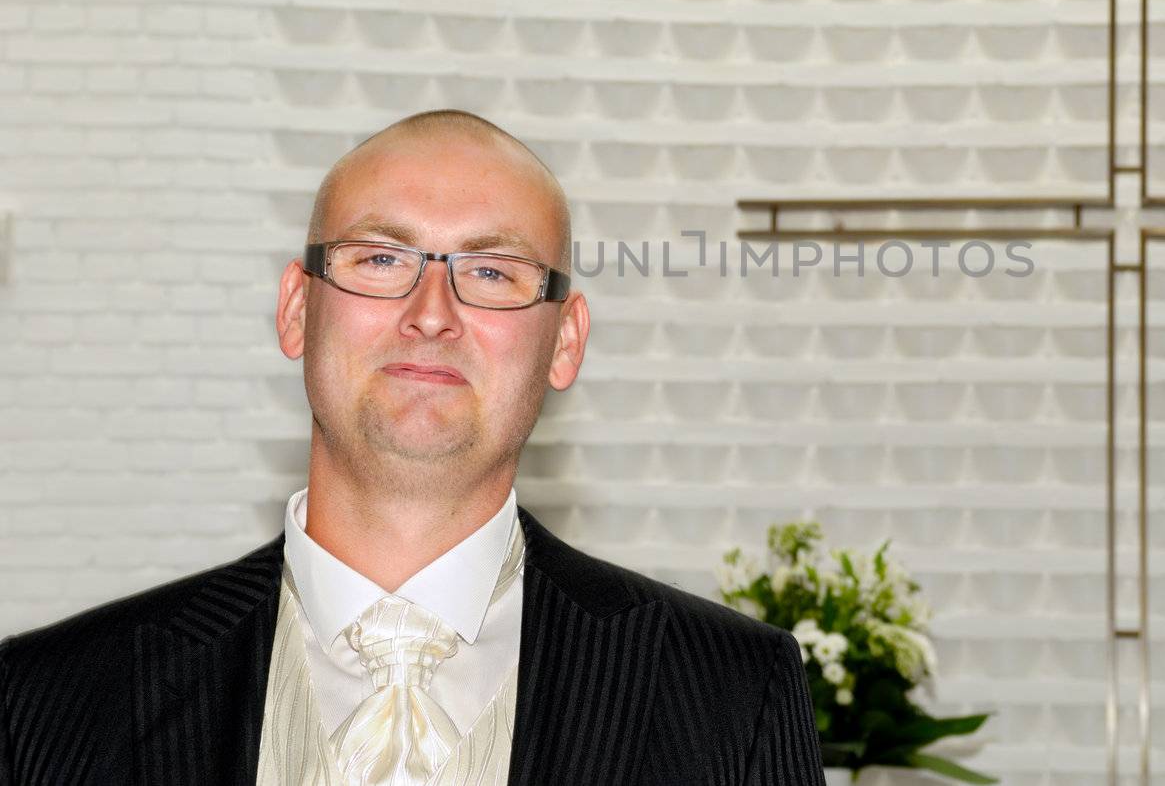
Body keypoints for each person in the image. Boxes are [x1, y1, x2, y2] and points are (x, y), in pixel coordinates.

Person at [0, 109, 826, 785]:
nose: (432, 312)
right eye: (381, 257)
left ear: (565, 341)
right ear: (296, 309)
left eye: (494, 271)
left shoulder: (731, 693)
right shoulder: (45, 701)